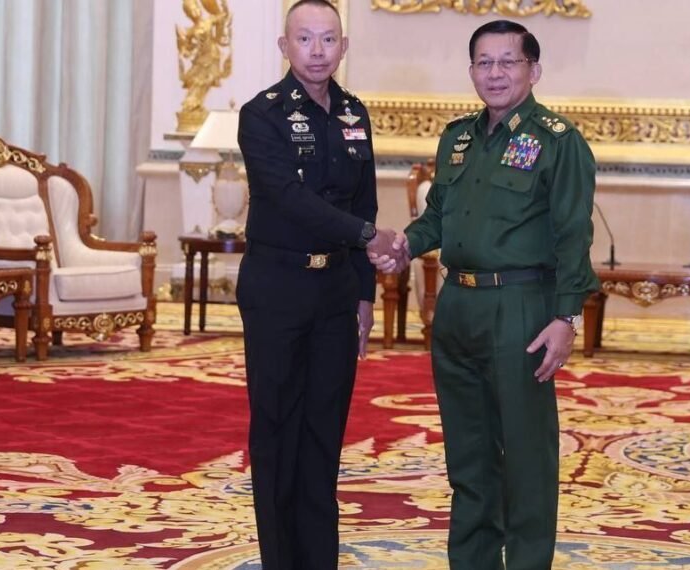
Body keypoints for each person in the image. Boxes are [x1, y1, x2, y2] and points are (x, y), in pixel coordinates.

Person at [372, 19, 598, 570]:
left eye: (508, 61)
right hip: (457, 306)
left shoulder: (558, 142)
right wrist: (405, 245)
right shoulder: (458, 138)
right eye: (483, 62)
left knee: (526, 456)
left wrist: (566, 317)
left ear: (533, 70)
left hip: (520, 309)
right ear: (471, 70)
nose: (495, 73)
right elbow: (438, 216)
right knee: (468, 456)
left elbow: (574, 235)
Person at [236, 1, 395, 567]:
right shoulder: (262, 114)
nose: (318, 50)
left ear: (343, 47)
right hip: (278, 288)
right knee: (277, 431)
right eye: (305, 39)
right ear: (285, 46)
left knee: (324, 432)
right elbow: (287, 197)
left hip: (335, 293)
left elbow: (364, 199)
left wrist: (364, 293)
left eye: (329, 39)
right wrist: (368, 235)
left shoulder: (354, 113)